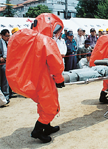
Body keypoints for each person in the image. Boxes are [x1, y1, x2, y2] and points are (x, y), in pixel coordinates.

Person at [6, 13, 65, 143]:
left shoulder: (20, 37)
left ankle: (47, 127)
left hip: (27, 80)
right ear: (49, 25)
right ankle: (37, 131)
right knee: (50, 106)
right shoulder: (45, 40)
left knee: (42, 104)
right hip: (43, 79)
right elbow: (55, 62)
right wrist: (59, 79)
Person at [0, 29, 10, 104]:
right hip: (1, 64)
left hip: (6, 63)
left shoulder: (6, 42)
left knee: (6, 80)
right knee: (4, 81)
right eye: (7, 36)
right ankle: (5, 96)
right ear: (2, 36)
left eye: (9, 36)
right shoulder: (0, 42)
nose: (8, 37)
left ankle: (6, 96)